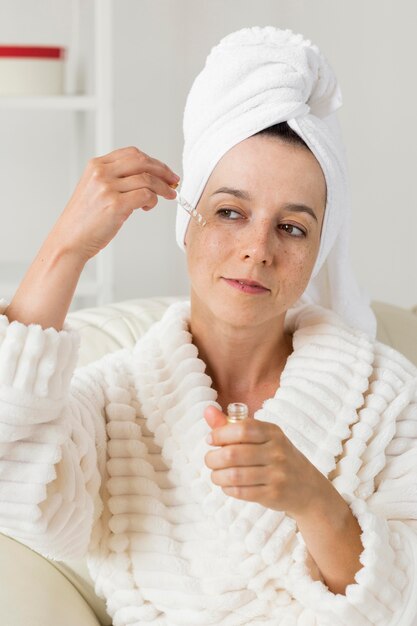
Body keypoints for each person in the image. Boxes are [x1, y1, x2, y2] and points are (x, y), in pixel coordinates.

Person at [1, 25, 417, 626]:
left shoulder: (385, 396)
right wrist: (64, 250)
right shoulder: (115, 403)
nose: (258, 249)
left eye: (292, 227)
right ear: (187, 217)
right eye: (229, 212)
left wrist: (314, 501)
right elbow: (13, 482)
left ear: (320, 248)